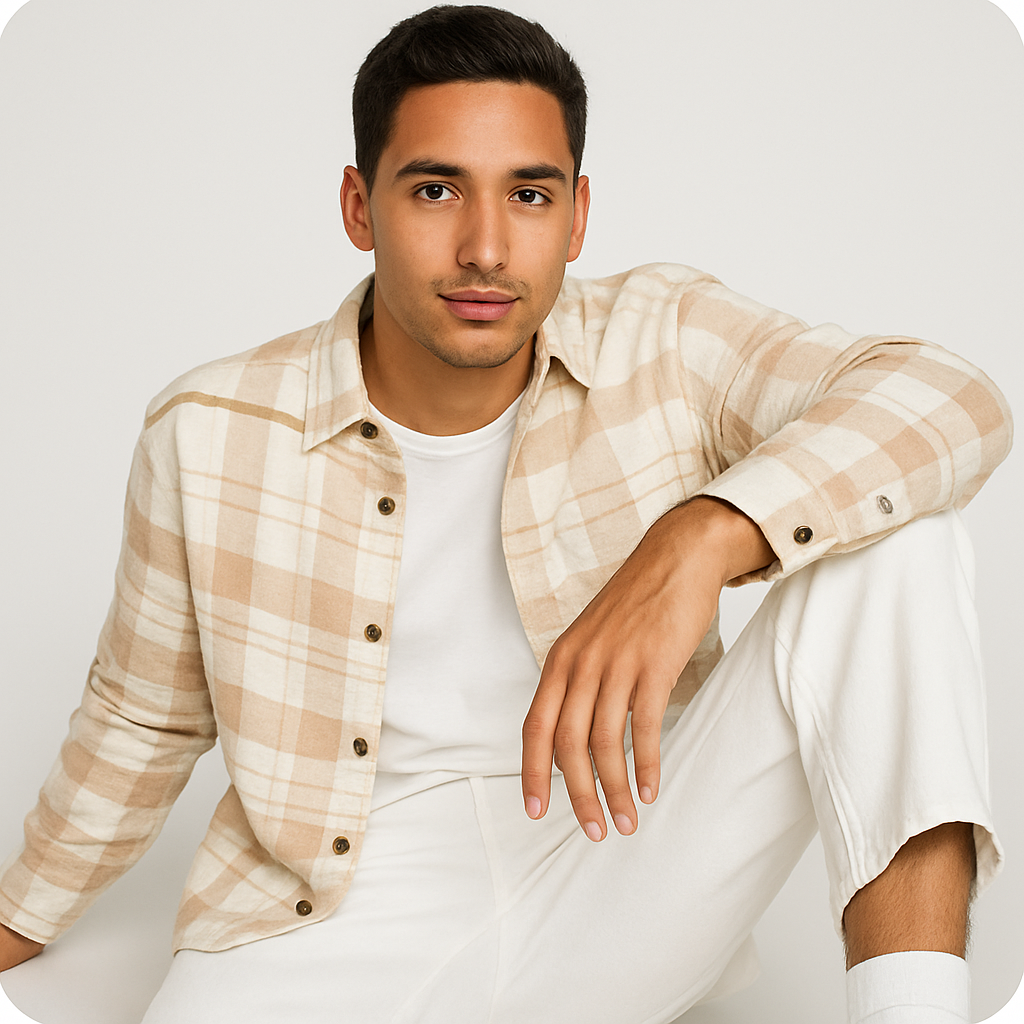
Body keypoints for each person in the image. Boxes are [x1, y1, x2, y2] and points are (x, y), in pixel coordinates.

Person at [0, 5, 1012, 1022]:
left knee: (899, 540)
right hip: (325, 921)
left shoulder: (661, 340)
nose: (485, 248)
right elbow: (143, 717)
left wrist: (700, 535)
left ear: (576, 215)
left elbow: (950, 397)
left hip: (622, 862)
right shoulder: (208, 430)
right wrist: (18, 916)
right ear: (358, 206)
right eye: (435, 189)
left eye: (528, 194)